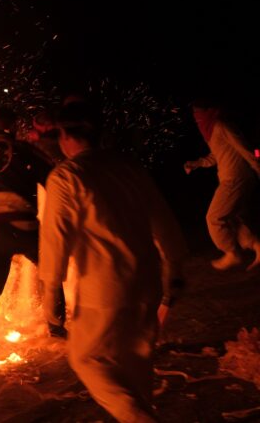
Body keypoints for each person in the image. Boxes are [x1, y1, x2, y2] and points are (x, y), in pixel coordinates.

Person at [40, 103, 187, 423]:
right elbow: (164, 220)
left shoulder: (66, 175)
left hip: (105, 289)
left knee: (86, 358)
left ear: (64, 136)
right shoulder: (128, 166)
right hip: (146, 282)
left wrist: (50, 291)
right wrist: (174, 268)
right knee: (136, 367)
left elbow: (55, 238)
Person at [0, 106, 65, 352]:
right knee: (50, 272)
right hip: (23, 223)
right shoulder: (23, 149)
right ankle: (57, 329)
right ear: (13, 126)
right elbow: (53, 179)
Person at [183, 99, 260, 270]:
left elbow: (244, 149)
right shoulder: (214, 130)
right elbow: (217, 155)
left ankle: (232, 253)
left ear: (205, 112)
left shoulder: (221, 126)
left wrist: (257, 167)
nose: (197, 120)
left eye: (198, 115)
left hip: (236, 179)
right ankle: (257, 247)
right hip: (233, 178)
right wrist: (197, 163)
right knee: (234, 217)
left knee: (214, 218)